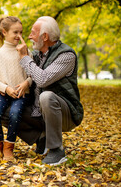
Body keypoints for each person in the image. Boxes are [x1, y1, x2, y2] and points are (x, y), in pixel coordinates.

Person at [14, 16, 84, 165]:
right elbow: (28, 76)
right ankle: (42, 137)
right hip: (39, 113)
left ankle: (56, 150)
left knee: (46, 97)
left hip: (66, 113)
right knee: (4, 110)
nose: (29, 36)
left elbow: (43, 79)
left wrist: (25, 58)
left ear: (44, 36)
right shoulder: (37, 54)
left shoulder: (66, 55)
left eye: (33, 32)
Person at [0, 16, 33, 161]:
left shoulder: (26, 52)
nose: (19, 36)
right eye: (15, 32)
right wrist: (5, 88)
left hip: (22, 93)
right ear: (4, 32)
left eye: (21, 32)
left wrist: (26, 83)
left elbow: (33, 74)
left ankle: (8, 147)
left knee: (15, 113)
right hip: (4, 93)